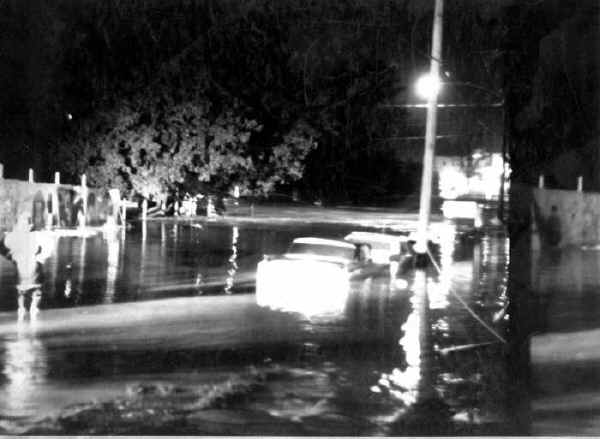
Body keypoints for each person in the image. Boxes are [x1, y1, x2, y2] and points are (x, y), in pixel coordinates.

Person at [3, 212, 53, 319]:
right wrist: (41, 257)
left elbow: (3, 246)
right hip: (30, 269)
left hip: (27, 269)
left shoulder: (17, 236)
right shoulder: (34, 236)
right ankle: (29, 308)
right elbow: (49, 247)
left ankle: (24, 309)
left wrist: (12, 257)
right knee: (30, 291)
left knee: (24, 291)